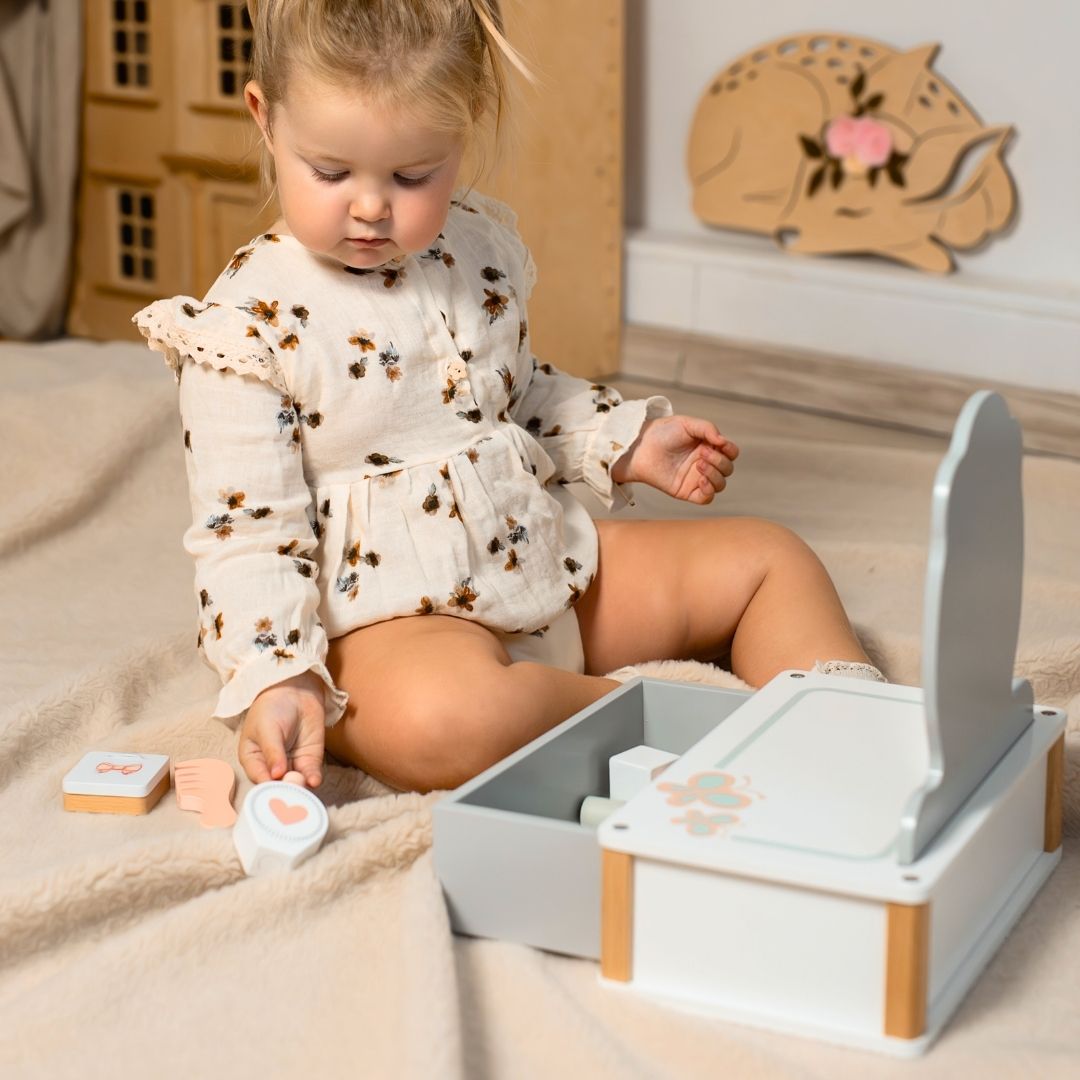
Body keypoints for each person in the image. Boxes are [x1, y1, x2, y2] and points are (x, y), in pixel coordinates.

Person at [134, 0, 882, 796]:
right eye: (330, 172)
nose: (371, 207)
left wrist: (623, 441)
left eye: (412, 176)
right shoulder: (243, 328)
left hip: (536, 558)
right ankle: (679, 730)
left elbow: (515, 395)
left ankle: (862, 743)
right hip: (393, 629)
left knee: (770, 559)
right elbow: (246, 532)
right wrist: (279, 676)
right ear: (265, 117)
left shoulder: (472, 248)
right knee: (447, 722)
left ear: (463, 130)